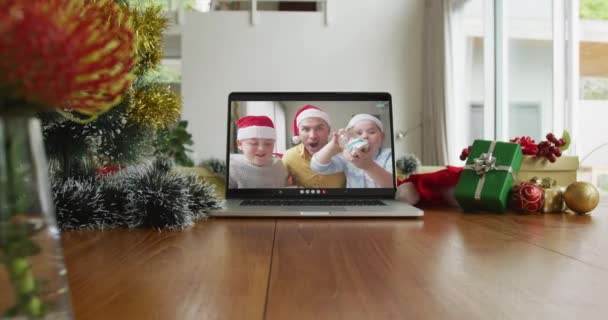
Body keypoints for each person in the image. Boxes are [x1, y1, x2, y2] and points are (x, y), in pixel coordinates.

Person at [311, 113, 393, 188]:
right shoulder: (347, 156)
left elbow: (396, 185)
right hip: (354, 201)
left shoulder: (389, 155)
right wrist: (332, 147)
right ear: (350, 139)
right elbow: (317, 167)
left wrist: (368, 165)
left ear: (382, 137)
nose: (364, 136)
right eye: (359, 133)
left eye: (371, 132)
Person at [282, 105, 346, 188]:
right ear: (299, 134)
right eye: (306, 129)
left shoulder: (344, 153)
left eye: (319, 128)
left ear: (328, 131)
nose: (313, 136)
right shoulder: (289, 156)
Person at [229, 115, 288, 188]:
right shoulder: (231, 168)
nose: (261, 148)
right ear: (240, 144)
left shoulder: (279, 165)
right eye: (254, 143)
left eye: (268, 143)